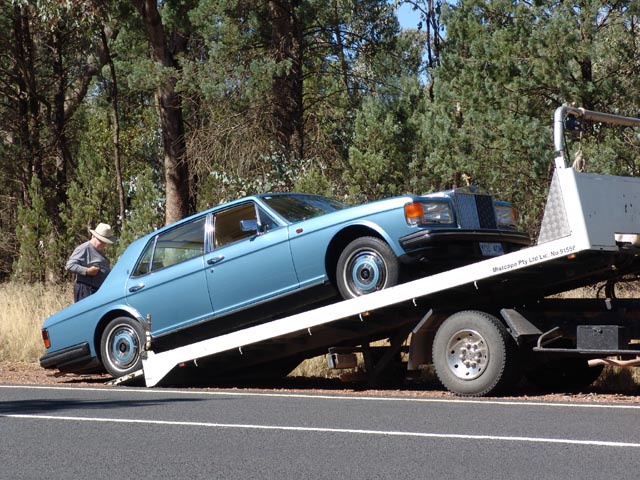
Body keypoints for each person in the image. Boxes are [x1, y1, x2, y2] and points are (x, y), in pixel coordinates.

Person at [66, 223, 115, 302]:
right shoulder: (85, 248)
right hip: (85, 290)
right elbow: (69, 265)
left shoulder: (100, 251)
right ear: (94, 236)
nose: (103, 244)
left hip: (96, 291)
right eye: (101, 241)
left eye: (105, 242)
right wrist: (87, 271)